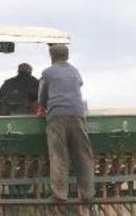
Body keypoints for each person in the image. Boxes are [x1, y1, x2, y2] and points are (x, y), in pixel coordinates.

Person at [38, 44, 95, 202]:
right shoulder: (75, 71)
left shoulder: (47, 73)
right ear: (67, 56)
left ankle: (59, 194)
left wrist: (42, 108)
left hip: (57, 116)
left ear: (52, 57)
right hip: (77, 114)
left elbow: (42, 95)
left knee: (59, 155)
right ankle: (88, 194)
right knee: (83, 155)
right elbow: (78, 85)